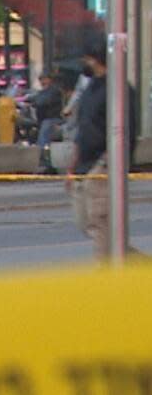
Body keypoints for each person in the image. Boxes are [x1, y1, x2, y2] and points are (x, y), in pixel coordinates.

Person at [66, 37, 137, 260]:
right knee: (85, 220)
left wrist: (108, 163)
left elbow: (126, 130)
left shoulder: (117, 88)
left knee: (100, 222)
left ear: (95, 59)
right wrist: (73, 166)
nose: (83, 63)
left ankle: (105, 274)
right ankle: (138, 269)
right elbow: (83, 127)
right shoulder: (91, 88)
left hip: (102, 164)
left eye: (85, 59)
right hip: (84, 165)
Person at [32, 69, 65, 173]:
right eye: (41, 79)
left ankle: (42, 159)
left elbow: (42, 101)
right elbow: (35, 99)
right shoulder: (42, 92)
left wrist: (35, 102)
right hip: (43, 120)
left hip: (52, 119)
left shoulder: (54, 91)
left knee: (43, 137)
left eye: (44, 79)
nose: (42, 82)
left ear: (50, 80)